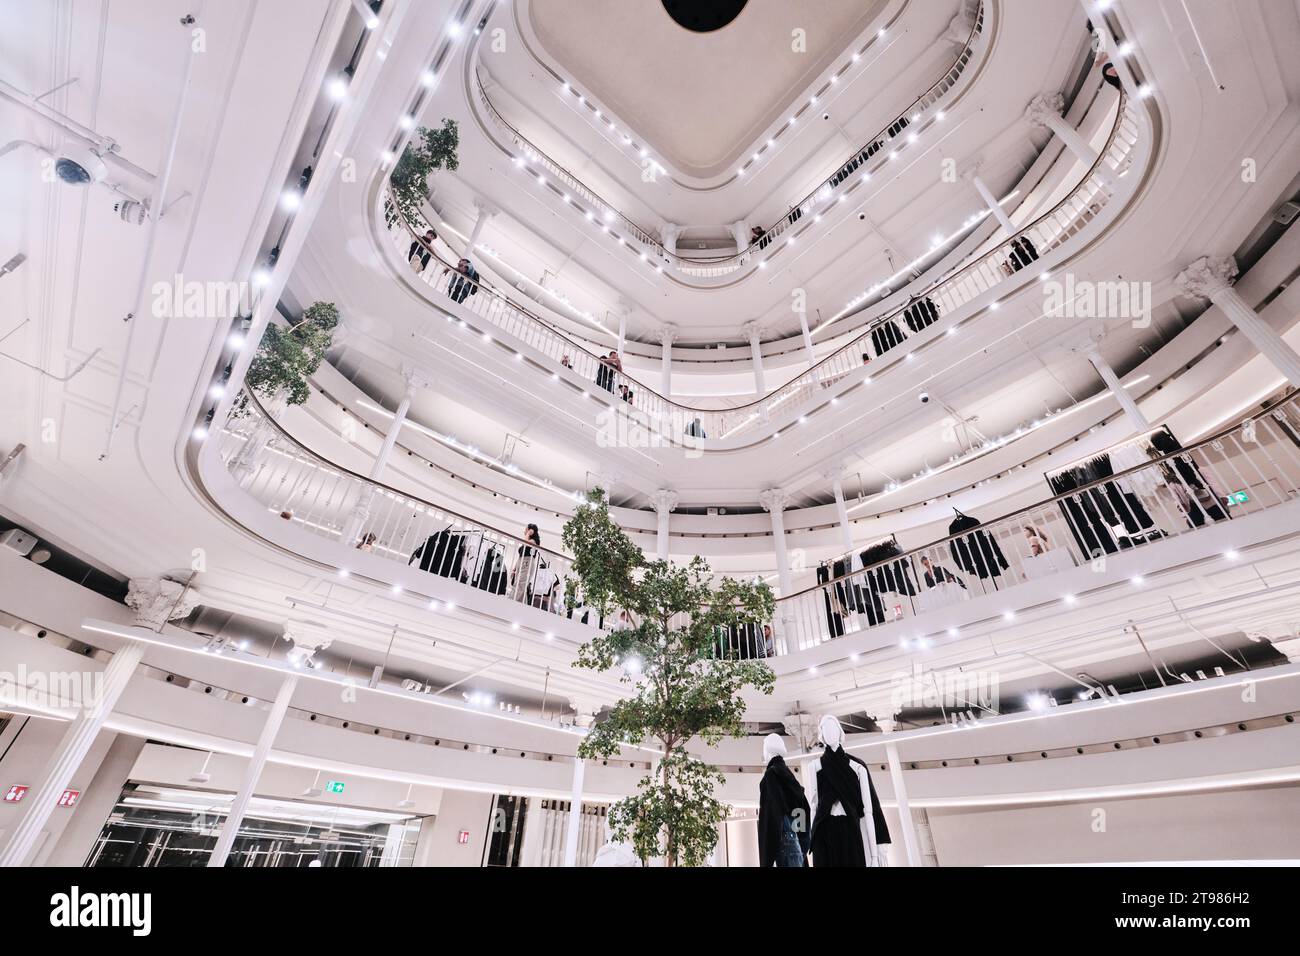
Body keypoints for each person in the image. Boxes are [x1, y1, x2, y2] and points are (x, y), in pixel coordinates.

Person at [509, 523, 541, 603]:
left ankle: (511, 600)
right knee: (519, 584)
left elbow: (526, 543)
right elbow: (521, 555)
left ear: (531, 530)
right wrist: (514, 568)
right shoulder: (528, 540)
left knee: (520, 583)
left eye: (526, 529)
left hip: (527, 562)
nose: (524, 531)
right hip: (521, 562)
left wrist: (528, 534)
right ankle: (522, 604)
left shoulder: (534, 541)